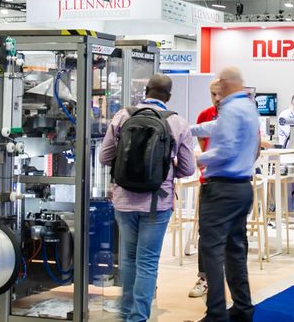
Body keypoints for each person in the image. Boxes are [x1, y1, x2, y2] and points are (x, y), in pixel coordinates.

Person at [99, 74, 196, 322]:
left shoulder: (122, 116)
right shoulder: (178, 122)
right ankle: (138, 317)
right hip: (157, 202)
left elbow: (104, 156)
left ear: (146, 91)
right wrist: (167, 169)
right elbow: (188, 168)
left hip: (124, 200)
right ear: (169, 96)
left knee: (129, 258)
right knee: (148, 261)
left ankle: (125, 313)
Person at [190, 67, 259, 322]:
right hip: (241, 188)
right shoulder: (247, 106)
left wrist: (198, 160)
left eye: (219, 83)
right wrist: (189, 129)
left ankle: (216, 314)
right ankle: (242, 308)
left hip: (221, 190)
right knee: (235, 251)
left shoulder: (230, 108)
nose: (217, 90)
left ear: (225, 84)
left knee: (212, 252)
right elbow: (217, 128)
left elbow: (226, 149)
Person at [188, 80, 221, 300]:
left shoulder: (241, 116)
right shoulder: (205, 115)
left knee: (235, 236)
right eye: (213, 94)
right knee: (205, 232)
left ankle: (232, 281)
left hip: (234, 184)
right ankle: (204, 277)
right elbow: (201, 139)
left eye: (220, 94)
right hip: (209, 182)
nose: (216, 98)